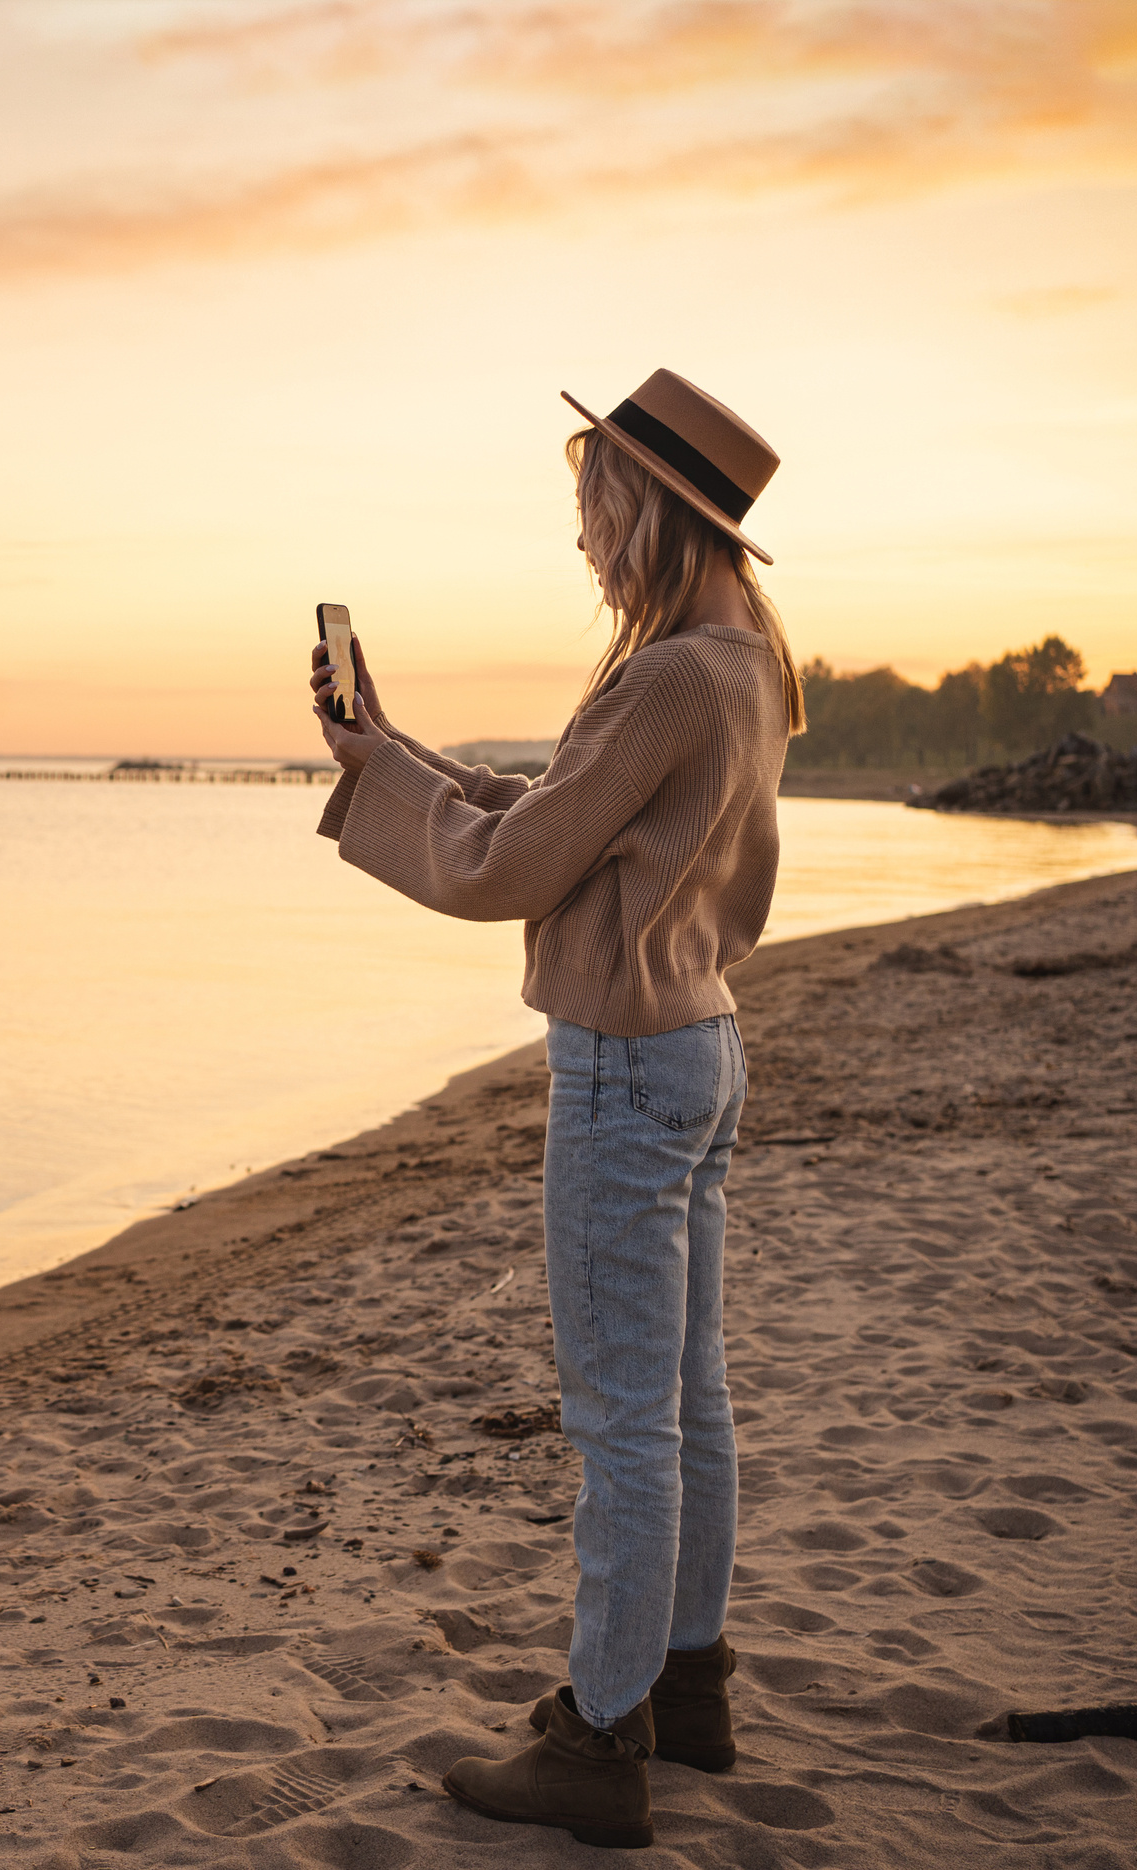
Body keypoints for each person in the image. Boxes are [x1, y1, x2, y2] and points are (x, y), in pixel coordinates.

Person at [307, 371, 800, 1850]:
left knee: (621, 1419)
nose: (585, 545)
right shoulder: (747, 664)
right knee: (688, 1398)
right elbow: (568, 815)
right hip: (700, 1039)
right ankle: (683, 1682)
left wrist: (379, 782)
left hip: (627, 1062)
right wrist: (391, 754)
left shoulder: (667, 678)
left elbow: (512, 865)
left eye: (596, 513)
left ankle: (600, 1738)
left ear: (652, 511)